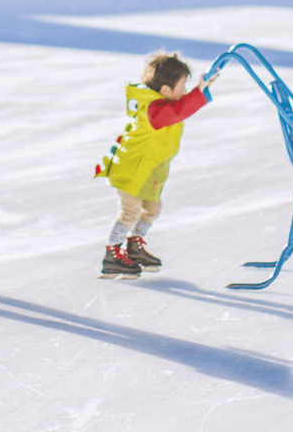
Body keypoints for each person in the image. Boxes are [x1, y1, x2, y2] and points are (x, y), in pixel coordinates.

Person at [92, 50, 220, 280]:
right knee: (130, 212)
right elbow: (176, 112)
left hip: (149, 171)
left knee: (152, 209)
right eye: (182, 86)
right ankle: (112, 254)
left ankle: (134, 246)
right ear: (165, 91)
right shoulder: (154, 110)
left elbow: (179, 108)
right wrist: (199, 92)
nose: (185, 91)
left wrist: (200, 90)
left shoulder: (163, 103)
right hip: (133, 170)